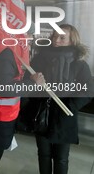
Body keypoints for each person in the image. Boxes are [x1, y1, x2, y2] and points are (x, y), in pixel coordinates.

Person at [29, 24, 93, 174]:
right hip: (42, 113)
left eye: (62, 37)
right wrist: (32, 80)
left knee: (61, 157)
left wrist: (71, 104)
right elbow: (28, 84)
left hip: (65, 115)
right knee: (43, 154)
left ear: (72, 41)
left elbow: (89, 89)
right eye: (54, 36)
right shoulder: (39, 59)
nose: (56, 40)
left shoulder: (79, 64)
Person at [0, 47, 45, 174]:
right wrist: (33, 83)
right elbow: (5, 89)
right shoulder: (5, 54)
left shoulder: (5, 51)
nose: (29, 41)